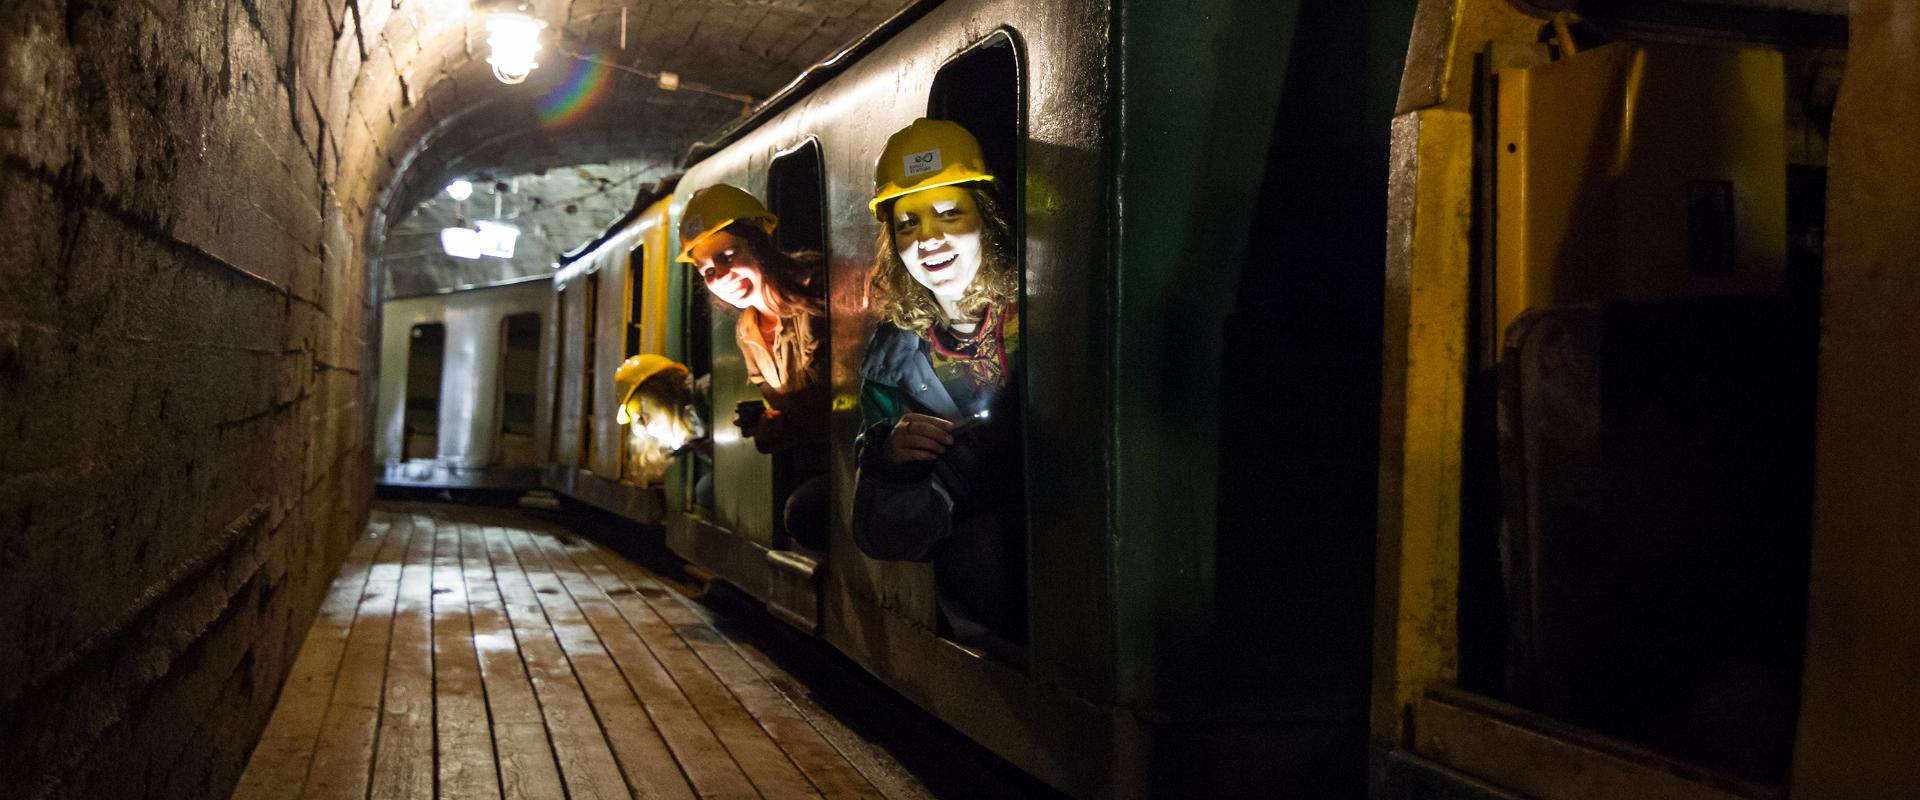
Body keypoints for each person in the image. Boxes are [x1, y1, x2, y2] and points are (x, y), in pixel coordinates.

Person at [853, 119, 1026, 653]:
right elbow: (888, 538)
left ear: (988, 219)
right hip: (983, 580)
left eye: (951, 213)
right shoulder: (892, 361)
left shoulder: (1049, 314)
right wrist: (892, 464)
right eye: (908, 223)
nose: (929, 237)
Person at [679, 184, 830, 549]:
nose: (721, 276)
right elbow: (794, 415)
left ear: (758, 245)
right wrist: (769, 422)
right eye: (707, 271)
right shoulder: (747, 331)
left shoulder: (820, 291)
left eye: (728, 256)